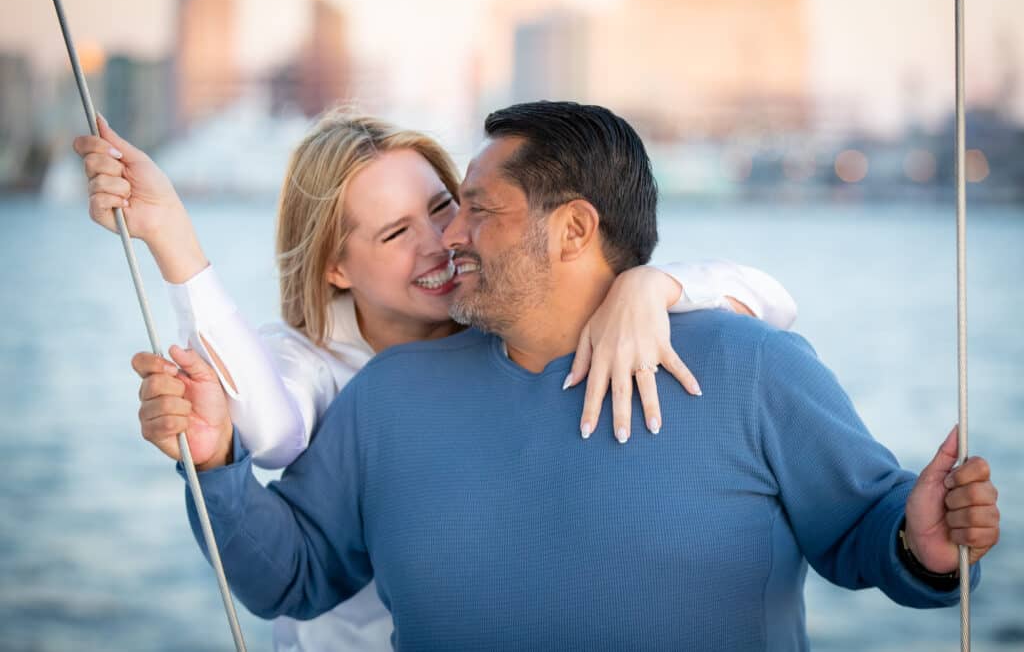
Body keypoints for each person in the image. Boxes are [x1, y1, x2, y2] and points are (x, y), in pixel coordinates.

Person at [132, 101, 1000, 650]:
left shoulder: (754, 368)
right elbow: (291, 570)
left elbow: (867, 527)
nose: (450, 239)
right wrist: (215, 466)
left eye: (471, 208)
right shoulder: (390, 397)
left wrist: (916, 544)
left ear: (574, 228)